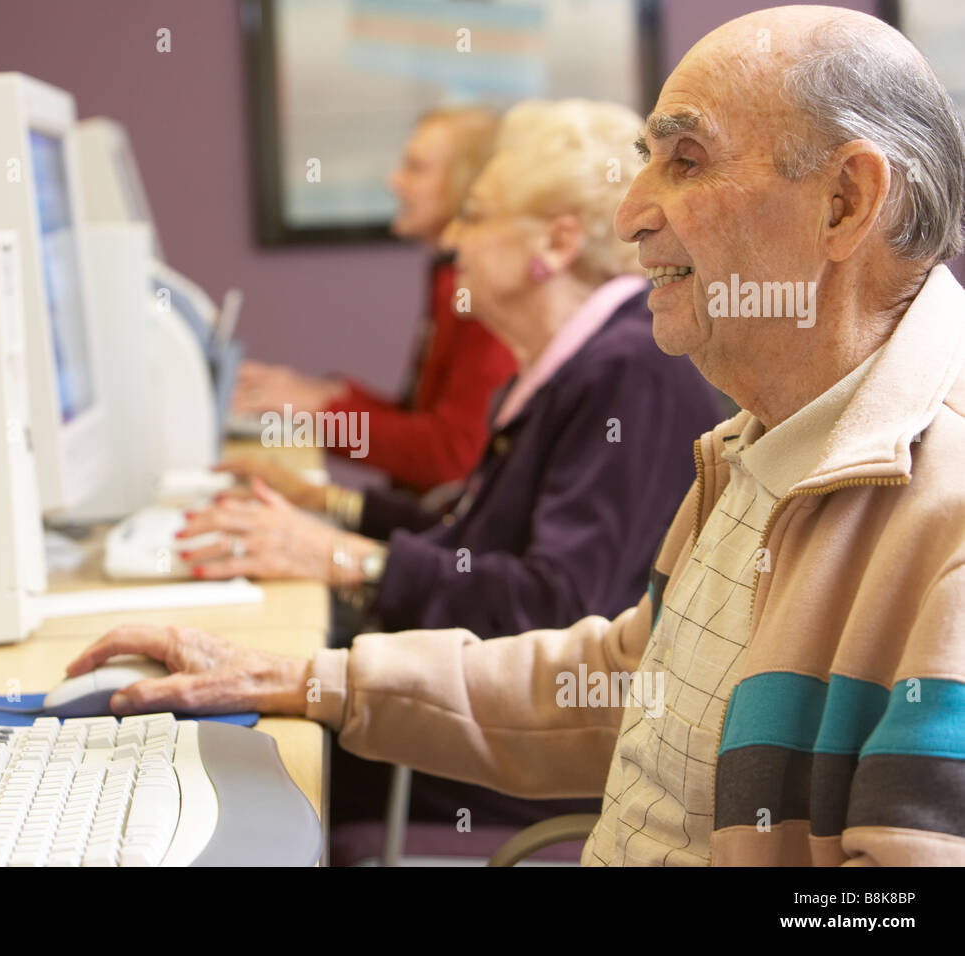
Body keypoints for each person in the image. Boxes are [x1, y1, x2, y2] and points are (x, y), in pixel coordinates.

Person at [69, 5, 965, 866]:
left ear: (846, 203)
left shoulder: (948, 523)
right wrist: (307, 679)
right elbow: (623, 686)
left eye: (686, 161)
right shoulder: (757, 446)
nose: (631, 215)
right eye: (645, 161)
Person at [178, 100, 724, 645]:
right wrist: (325, 511)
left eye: (477, 215)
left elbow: (558, 609)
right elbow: (474, 541)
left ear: (556, 244)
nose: (455, 240)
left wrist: (347, 558)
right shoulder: (571, 361)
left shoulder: (625, 374)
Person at [231, 107, 517, 495]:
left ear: (468, 184)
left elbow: (452, 455)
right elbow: (421, 418)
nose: (394, 181)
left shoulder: (478, 290)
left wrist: (320, 414)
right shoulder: (448, 277)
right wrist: (324, 396)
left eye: (415, 168)